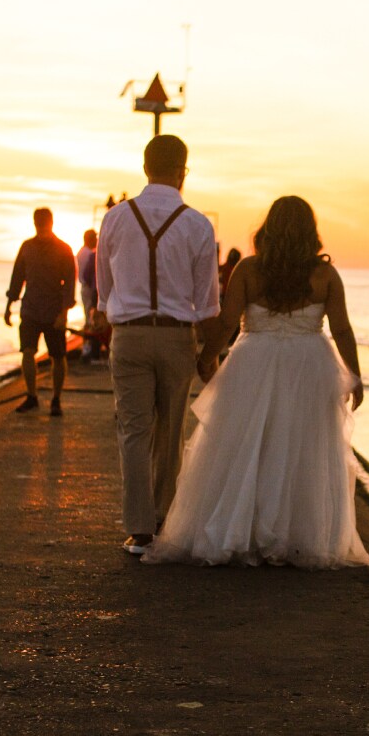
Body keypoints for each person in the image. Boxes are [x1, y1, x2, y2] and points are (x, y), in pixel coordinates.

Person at [145, 195, 369, 569]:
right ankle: (297, 536)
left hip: (254, 360)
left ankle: (240, 530)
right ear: (310, 231)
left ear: (268, 227)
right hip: (309, 364)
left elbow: (229, 322)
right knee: (302, 448)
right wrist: (355, 375)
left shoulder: (249, 269)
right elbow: (342, 329)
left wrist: (207, 356)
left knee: (247, 445)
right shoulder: (325, 275)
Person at [93, 134, 220, 555]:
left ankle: (139, 530)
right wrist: (208, 352)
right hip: (175, 337)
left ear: (145, 168)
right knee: (170, 431)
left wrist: (111, 313)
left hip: (128, 336)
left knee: (133, 431)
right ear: (184, 170)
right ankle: (164, 520)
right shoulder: (198, 224)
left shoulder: (114, 219)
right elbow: (207, 302)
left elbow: (103, 289)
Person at [4, 207, 75, 417]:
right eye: (38, 222)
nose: (40, 226)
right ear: (34, 223)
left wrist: (63, 313)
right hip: (31, 310)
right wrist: (8, 306)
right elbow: (17, 278)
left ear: (51, 223)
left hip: (53, 311)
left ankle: (56, 399)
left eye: (43, 222)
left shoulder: (63, 248)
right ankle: (32, 395)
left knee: (58, 356)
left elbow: (69, 282)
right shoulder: (27, 247)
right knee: (27, 351)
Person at [76, 227, 106, 362]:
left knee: (90, 318)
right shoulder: (88, 253)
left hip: (86, 288)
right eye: (94, 238)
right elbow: (88, 274)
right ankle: (88, 350)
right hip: (89, 289)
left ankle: (88, 349)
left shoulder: (82, 252)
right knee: (92, 320)